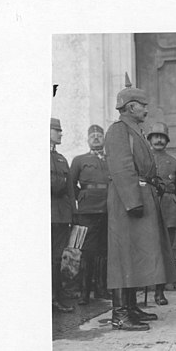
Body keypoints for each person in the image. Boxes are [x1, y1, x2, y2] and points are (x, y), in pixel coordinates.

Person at [104, 74, 176, 331]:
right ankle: (120, 314)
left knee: (135, 255)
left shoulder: (136, 131)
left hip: (140, 197)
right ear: (131, 106)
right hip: (128, 201)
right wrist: (133, 201)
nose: (146, 109)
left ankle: (131, 307)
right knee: (123, 255)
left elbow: (143, 167)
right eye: (143, 105)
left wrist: (155, 182)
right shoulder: (118, 130)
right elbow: (122, 168)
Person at [147, 122, 176, 305]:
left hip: (169, 209)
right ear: (149, 139)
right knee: (151, 250)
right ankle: (146, 286)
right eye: (155, 136)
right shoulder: (144, 160)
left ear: (167, 140)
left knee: (166, 251)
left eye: (162, 137)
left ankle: (159, 291)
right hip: (148, 209)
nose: (158, 140)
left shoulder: (173, 162)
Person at [69, 125, 110, 305]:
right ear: (87, 139)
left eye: (99, 135)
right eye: (92, 135)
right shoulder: (79, 160)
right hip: (88, 211)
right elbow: (70, 185)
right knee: (87, 252)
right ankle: (84, 292)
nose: (95, 138)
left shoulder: (111, 159)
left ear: (104, 139)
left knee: (104, 251)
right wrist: (81, 199)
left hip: (108, 209)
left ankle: (101, 289)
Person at [50, 117, 74, 313]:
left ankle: (56, 297)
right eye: (56, 130)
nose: (60, 133)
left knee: (58, 258)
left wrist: (72, 214)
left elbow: (69, 190)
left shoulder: (61, 159)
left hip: (61, 216)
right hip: (46, 215)